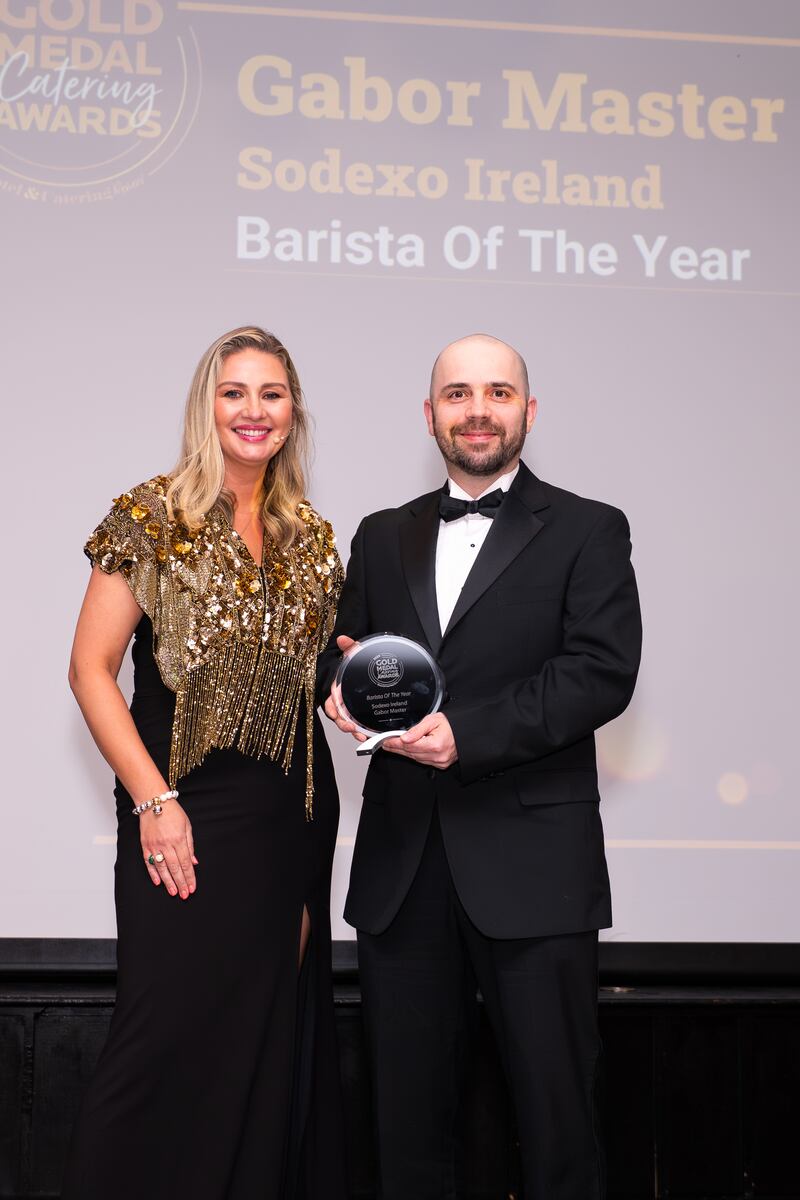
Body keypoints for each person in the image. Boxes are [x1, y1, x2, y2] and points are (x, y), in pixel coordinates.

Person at [318, 333, 642, 1200]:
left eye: (498, 393)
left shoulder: (589, 528)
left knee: (556, 1127)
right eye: (457, 394)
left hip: (534, 872)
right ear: (430, 416)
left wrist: (468, 732)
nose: (477, 410)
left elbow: (600, 673)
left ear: (528, 412)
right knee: (407, 1131)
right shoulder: (381, 535)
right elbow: (343, 653)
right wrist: (339, 692)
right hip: (403, 869)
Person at [63, 327, 348, 1200]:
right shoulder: (151, 517)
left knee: (261, 1056)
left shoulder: (312, 539)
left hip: (290, 826)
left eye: (271, 394)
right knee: (161, 1046)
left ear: (293, 411)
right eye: (235, 393)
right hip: (182, 815)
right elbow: (89, 670)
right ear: (207, 406)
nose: (254, 411)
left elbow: (316, 682)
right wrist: (155, 801)